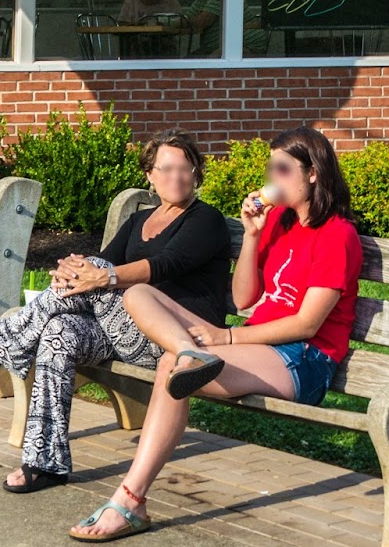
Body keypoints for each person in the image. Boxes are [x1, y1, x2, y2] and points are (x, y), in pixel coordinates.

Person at [69, 127, 362, 542]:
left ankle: (130, 500)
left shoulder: (337, 235)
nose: (272, 177)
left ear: (313, 173)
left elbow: (307, 324)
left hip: (305, 358)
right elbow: (244, 297)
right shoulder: (278, 221)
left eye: (282, 168)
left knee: (171, 366)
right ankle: (189, 354)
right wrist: (254, 234)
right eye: (270, 167)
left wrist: (226, 339)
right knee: (137, 293)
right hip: (261, 343)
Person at [0, 131, 231, 493]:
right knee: (60, 332)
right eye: (167, 168)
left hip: (173, 339)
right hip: (123, 328)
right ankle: (45, 464)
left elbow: (166, 264)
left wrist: (98, 273)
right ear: (149, 175)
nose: (177, 176)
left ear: (197, 173)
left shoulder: (206, 219)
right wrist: (73, 268)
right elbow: (103, 263)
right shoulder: (141, 220)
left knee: (92, 271)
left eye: (186, 168)